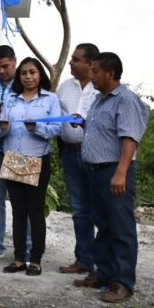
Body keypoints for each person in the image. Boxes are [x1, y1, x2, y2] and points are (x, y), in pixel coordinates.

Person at [73, 52, 149, 303]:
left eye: (95, 72)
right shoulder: (99, 100)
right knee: (103, 226)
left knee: (121, 228)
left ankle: (123, 282)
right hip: (95, 172)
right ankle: (104, 273)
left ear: (111, 73)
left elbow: (130, 138)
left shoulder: (125, 100)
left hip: (114, 172)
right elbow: (102, 131)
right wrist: (82, 123)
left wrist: (121, 173)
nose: (91, 76)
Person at [0, 57, 62, 277]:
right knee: (18, 211)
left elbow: (57, 129)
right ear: (19, 76)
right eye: (24, 73)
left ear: (39, 74)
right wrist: (2, 127)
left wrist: (37, 128)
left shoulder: (50, 99)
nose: (28, 77)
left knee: (35, 212)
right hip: (13, 159)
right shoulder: (11, 99)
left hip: (36, 159)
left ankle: (35, 259)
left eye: (32, 72)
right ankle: (18, 258)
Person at [0, 45, 32, 262]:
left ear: (14, 62)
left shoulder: (25, 85)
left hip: (20, 152)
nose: (1, 71)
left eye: (5, 66)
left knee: (24, 202)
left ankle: (27, 247)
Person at [56, 43, 99, 274]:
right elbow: (56, 118)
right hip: (71, 154)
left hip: (97, 157)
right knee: (80, 209)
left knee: (100, 209)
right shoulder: (64, 88)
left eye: (75, 59)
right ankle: (83, 259)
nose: (70, 63)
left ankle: (102, 263)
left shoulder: (101, 87)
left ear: (90, 63)